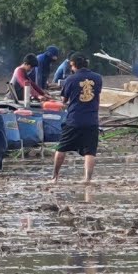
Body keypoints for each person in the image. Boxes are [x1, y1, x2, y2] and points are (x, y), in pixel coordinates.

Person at [53, 53, 103, 183]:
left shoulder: (71, 79)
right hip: (91, 120)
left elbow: (64, 100)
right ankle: (87, 179)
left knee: (61, 148)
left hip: (74, 120)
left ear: (73, 64)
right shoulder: (98, 78)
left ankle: (55, 177)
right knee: (89, 152)